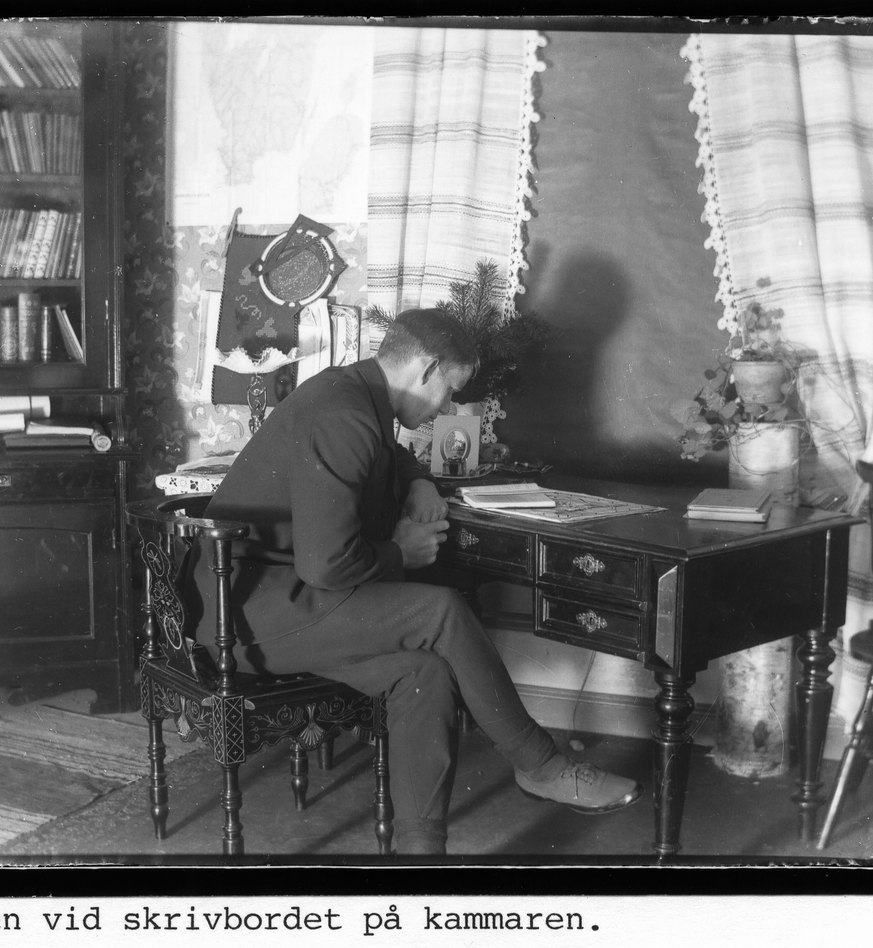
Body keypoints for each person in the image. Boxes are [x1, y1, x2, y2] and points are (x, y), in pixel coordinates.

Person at [187, 308, 641, 855]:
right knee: (440, 610)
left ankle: (420, 856)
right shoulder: (345, 413)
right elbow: (325, 566)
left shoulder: (351, 391)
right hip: (245, 614)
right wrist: (401, 552)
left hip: (280, 600)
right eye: (449, 390)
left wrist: (419, 481)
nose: (446, 407)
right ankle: (541, 766)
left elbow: (388, 452)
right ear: (425, 369)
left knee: (425, 673)